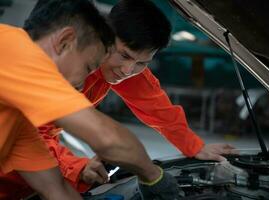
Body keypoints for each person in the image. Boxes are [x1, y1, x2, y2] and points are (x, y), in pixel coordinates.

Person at [0, 0, 180, 199]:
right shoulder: (9, 51)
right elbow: (107, 138)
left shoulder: (18, 126)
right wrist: (152, 175)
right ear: (65, 41)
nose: (82, 84)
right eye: (87, 67)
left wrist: (76, 168)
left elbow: (56, 190)